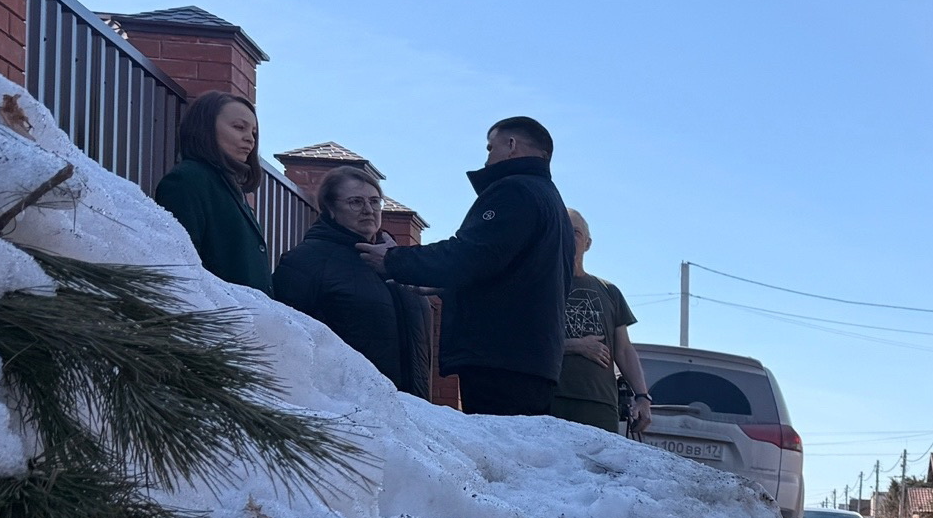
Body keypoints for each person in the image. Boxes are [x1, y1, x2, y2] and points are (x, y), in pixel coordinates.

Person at [359, 116, 573, 417]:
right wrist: (449, 287)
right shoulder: (551, 202)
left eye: (490, 148)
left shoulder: (514, 191)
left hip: (499, 358)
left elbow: (471, 254)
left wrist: (394, 260)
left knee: (497, 451)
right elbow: (514, 272)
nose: (487, 159)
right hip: (531, 359)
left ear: (511, 145)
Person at [272, 167, 432, 395]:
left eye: (375, 201)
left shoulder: (395, 261)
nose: (368, 210)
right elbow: (288, 341)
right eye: (356, 202)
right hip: (345, 406)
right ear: (330, 208)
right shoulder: (307, 262)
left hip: (412, 409)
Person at [154, 91, 272, 291]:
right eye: (239, 127)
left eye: (253, 132)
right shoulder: (186, 180)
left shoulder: (229, 187)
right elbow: (181, 268)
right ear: (205, 128)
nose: (250, 139)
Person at [553, 209, 651, 432]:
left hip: (600, 406)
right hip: (551, 401)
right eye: (562, 231)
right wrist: (577, 346)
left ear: (587, 243)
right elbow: (527, 342)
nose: (568, 237)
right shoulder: (540, 286)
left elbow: (624, 350)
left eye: (575, 232)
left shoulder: (609, 291)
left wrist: (643, 396)